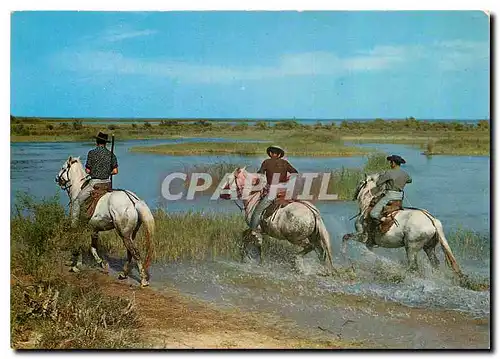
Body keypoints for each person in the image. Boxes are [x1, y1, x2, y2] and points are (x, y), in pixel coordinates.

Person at [70, 132, 118, 228]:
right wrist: (107, 172)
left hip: (95, 184)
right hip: (107, 184)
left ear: (97, 142)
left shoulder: (92, 153)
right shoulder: (111, 154)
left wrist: (94, 171)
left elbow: (87, 170)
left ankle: (74, 226)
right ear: (105, 143)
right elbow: (115, 171)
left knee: (76, 201)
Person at [249, 145, 298, 231]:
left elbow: (260, 174)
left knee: (257, 212)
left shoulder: (266, 162)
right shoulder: (285, 163)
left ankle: (252, 232)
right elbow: (295, 173)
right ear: (279, 155)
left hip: (273, 191)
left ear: (270, 153)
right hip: (285, 190)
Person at [369, 154, 411, 223]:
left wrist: (383, 176)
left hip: (389, 196)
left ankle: (383, 221)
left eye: (391, 162)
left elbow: (378, 183)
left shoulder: (389, 172)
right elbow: (410, 180)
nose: (390, 164)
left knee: (373, 213)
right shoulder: (405, 174)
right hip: (400, 197)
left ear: (393, 163)